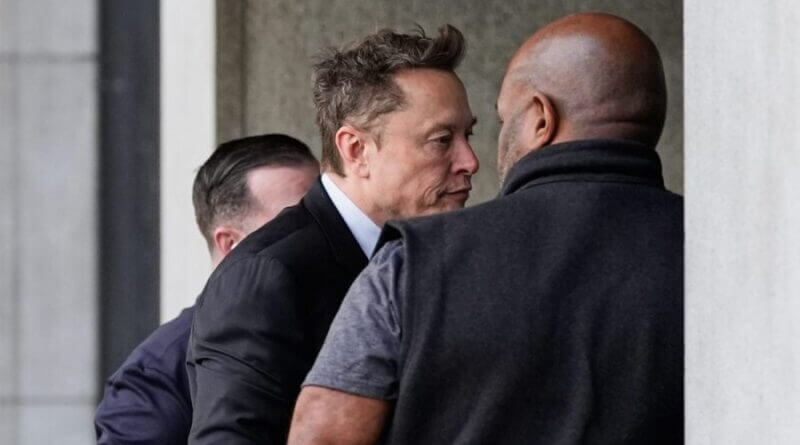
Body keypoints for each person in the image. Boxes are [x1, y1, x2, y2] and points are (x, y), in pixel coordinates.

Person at [290, 12, 683, 445]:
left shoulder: (414, 265)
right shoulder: (717, 260)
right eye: (443, 140)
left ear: (540, 118)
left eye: (501, 119)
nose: (474, 160)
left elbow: (322, 438)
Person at [187, 25, 479, 443]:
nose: (470, 161)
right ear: (356, 150)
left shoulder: (449, 258)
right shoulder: (266, 275)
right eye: (441, 140)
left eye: (468, 135)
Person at [94, 134, 319, 444]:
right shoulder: (156, 380)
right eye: (292, 223)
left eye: (324, 215)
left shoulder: (353, 318)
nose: (320, 234)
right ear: (231, 244)